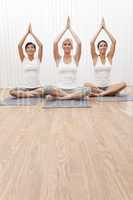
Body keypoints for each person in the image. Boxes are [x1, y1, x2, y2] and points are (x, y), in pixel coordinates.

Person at [46, 16, 91, 101]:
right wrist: (65, 28)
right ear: (62, 46)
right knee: (48, 88)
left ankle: (63, 98)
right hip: (60, 89)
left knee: (88, 90)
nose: (67, 46)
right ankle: (71, 97)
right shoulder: (58, 58)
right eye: (65, 44)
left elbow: (79, 43)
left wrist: (70, 28)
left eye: (69, 44)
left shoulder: (75, 58)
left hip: (74, 89)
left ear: (72, 47)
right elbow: (55, 42)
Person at [84, 18, 127, 96]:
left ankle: (101, 94)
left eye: (105, 46)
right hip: (96, 87)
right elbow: (92, 42)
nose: (103, 47)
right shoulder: (95, 58)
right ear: (98, 48)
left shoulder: (109, 57)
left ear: (107, 47)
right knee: (86, 84)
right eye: (101, 46)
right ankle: (105, 93)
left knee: (123, 84)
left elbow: (114, 41)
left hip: (108, 87)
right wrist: (100, 28)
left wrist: (105, 29)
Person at [9, 23, 44, 98]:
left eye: (32, 47)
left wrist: (32, 33)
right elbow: (19, 46)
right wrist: (27, 33)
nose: (30, 48)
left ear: (35, 50)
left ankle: (28, 94)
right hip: (25, 88)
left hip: (37, 87)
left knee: (44, 90)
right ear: (25, 50)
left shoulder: (38, 59)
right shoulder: (24, 59)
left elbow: (41, 45)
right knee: (11, 91)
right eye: (28, 47)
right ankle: (28, 94)